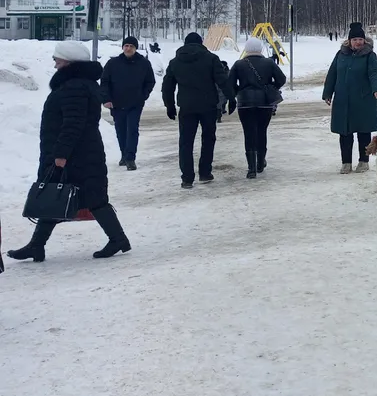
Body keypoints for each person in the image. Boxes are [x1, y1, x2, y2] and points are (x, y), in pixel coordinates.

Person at [6, 42, 130, 263]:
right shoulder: (78, 84)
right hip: (81, 151)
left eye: (57, 60)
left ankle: (117, 239)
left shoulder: (74, 86)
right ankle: (37, 245)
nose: (55, 64)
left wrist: (61, 154)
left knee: (77, 195)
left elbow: (74, 123)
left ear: (69, 61)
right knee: (57, 194)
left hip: (77, 154)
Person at [162, 32, 229, 189]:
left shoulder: (175, 62)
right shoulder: (211, 59)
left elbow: (167, 86)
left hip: (187, 107)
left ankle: (187, 178)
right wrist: (231, 98)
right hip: (208, 106)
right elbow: (222, 81)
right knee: (208, 139)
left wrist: (169, 105)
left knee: (186, 142)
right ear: (201, 43)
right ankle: (205, 172)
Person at [322, 22, 377, 174]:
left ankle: (363, 161)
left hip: (363, 100)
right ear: (349, 41)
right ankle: (346, 163)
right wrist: (328, 93)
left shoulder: (370, 56)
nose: (358, 42)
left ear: (364, 40)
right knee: (345, 133)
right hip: (343, 100)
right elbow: (332, 74)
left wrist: (376, 89)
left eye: (360, 39)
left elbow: (375, 74)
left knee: (363, 132)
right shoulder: (340, 55)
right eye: (355, 39)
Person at [227, 37, 286, 179]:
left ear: (246, 49)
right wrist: (271, 87)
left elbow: (229, 83)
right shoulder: (269, 63)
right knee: (261, 131)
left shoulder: (239, 64)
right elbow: (282, 79)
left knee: (249, 133)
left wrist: (239, 92)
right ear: (260, 49)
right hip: (264, 103)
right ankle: (260, 163)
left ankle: (251, 168)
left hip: (245, 104)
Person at [99, 35, 155, 170]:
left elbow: (150, 81)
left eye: (131, 46)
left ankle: (130, 158)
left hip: (135, 103)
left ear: (135, 48)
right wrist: (106, 99)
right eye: (126, 46)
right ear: (123, 47)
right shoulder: (113, 63)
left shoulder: (144, 63)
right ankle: (124, 154)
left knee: (132, 130)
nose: (128, 48)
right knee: (121, 130)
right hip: (117, 103)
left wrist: (143, 95)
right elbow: (104, 82)